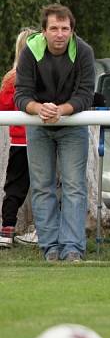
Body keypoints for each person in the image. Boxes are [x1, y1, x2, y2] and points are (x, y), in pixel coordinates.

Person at [14, 4, 95, 262]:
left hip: (72, 126)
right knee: (41, 187)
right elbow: (21, 95)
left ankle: (72, 249)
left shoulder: (83, 51)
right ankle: (49, 248)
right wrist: (40, 109)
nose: (60, 34)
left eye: (65, 29)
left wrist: (61, 110)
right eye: (54, 29)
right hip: (38, 126)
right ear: (44, 31)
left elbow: (85, 95)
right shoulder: (29, 52)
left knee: (74, 187)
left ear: (72, 30)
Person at [1, 28, 38, 249]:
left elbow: (3, 106)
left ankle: (7, 229)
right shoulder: (37, 75)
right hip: (36, 140)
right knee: (47, 186)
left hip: (19, 142)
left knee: (15, 186)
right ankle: (45, 229)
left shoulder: (11, 78)